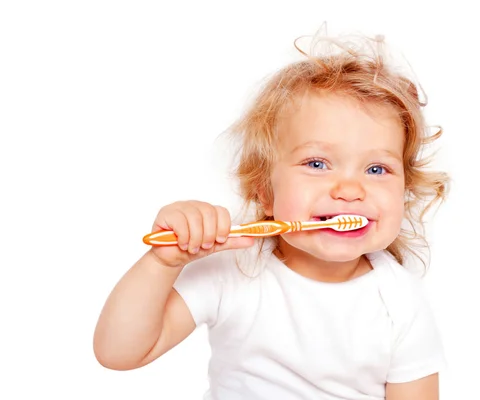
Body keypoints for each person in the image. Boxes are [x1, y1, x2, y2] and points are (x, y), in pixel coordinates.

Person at [93, 28, 450, 400]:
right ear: (265, 192)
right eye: (317, 163)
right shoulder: (233, 270)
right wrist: (162, 264)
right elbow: (118, 353)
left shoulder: (399, 300)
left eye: (376, 169)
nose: (350, 190)